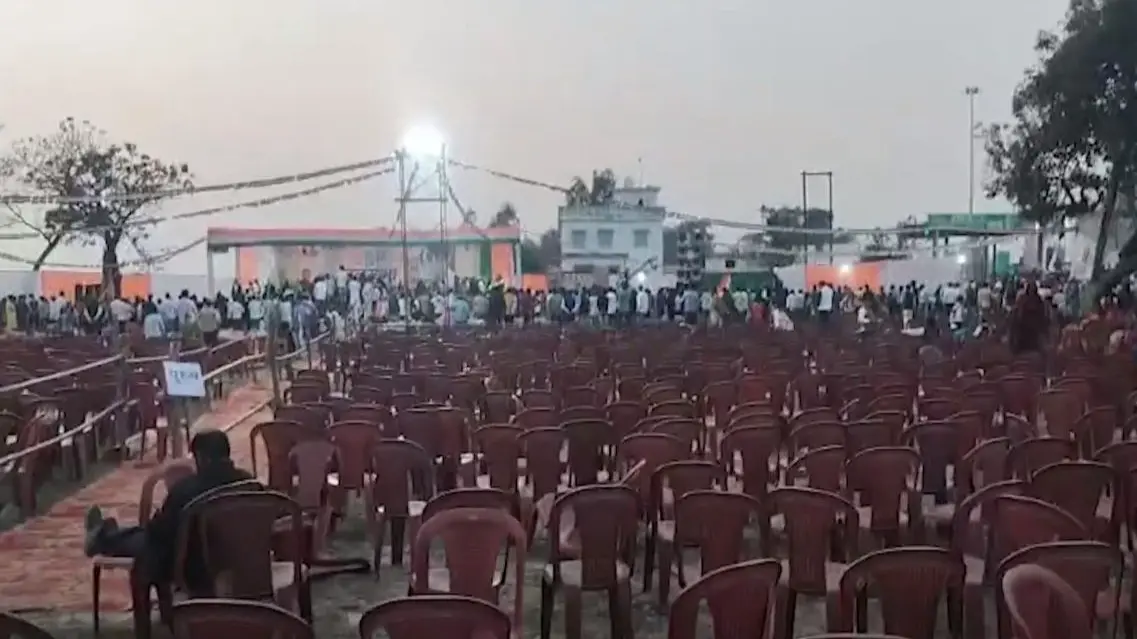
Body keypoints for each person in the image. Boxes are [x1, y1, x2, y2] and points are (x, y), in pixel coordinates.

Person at [83, 430, 256, 595]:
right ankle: (107, 532)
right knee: (142, 536)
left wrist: (157, 520)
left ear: (201, 458)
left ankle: (102, 537)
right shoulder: (249, 483)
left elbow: (158, 531)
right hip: (239, 562)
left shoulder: (187, 489)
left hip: (192, 567)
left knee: (145, 540)